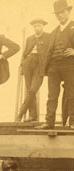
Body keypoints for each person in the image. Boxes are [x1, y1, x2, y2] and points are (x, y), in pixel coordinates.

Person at [36, 1, 74, 130]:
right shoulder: (54, 32)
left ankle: (73, 122)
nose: (60, 15)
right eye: (58, 13)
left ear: (69, 12)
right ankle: (49, 122)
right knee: (52, 95)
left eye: (63, 12)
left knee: (71, 93)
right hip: (54, 67)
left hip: (70, 65)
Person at [16, 18, 51, 122]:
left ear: (43, 26)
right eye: (35, 26)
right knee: (29, 89)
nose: (37, 28)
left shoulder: (49, 37)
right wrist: (23, 63)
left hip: (40, 65)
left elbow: (50, 52)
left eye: (39, 25)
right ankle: (32, 116)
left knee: (32, 90)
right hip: (28, 64)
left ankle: (21, 112)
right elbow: (25, 52)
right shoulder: (29, 38)